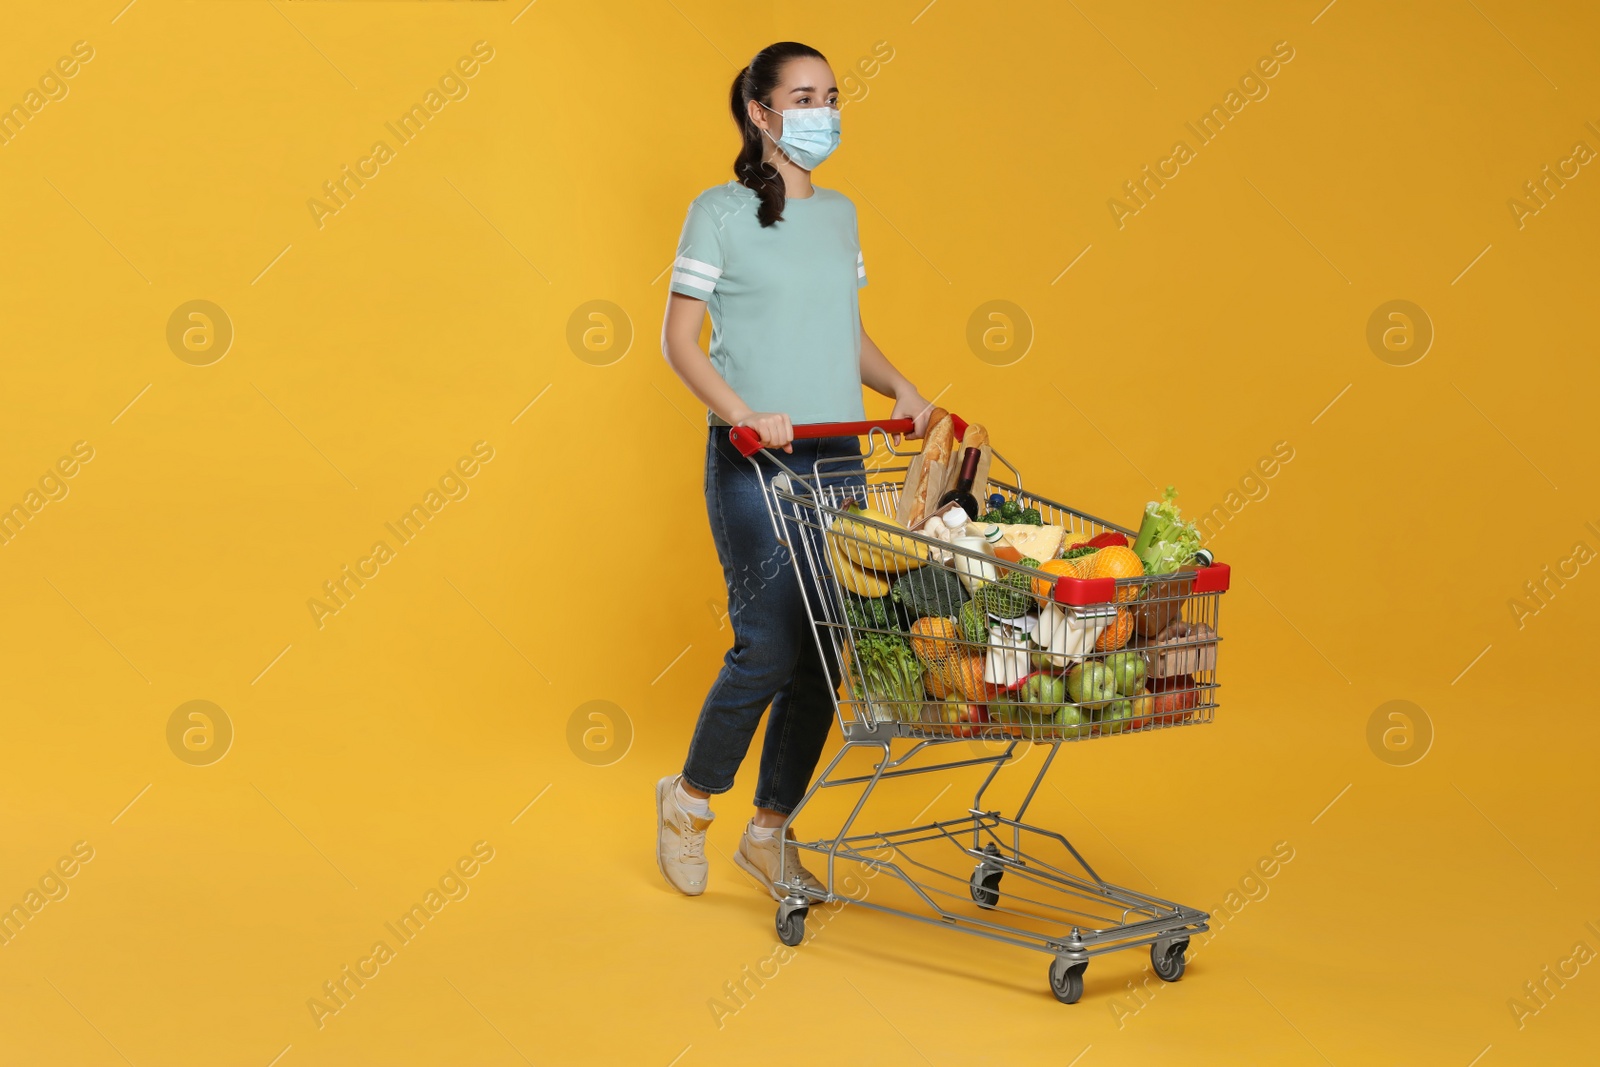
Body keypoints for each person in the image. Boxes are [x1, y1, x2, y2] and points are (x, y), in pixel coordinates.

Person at [656, 41, 932, 900]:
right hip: (753, 459)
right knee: (768, 645)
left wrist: (901, 386)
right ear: (759, 112)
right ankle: (689, 801)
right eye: (803, 97)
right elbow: (678, 340)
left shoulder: (840, 213)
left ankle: (770, 830)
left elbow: (840, 329)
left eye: (832, 95)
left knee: (825, 649)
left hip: (839, 453)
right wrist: (744, 413)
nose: (822, 112)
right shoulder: (719, 212)